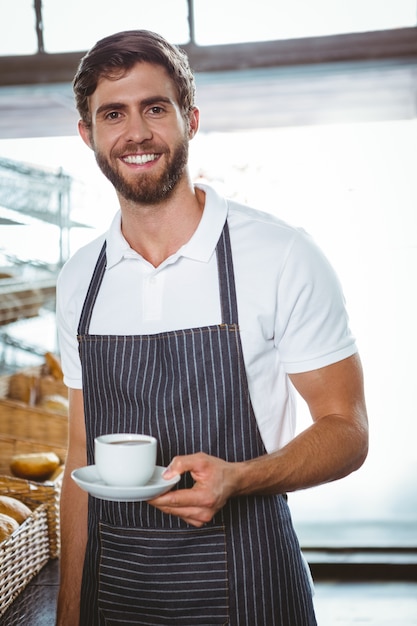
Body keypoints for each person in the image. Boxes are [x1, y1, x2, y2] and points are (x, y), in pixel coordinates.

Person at [55, 29, 368, 626]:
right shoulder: (79, 281)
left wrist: (242, 478)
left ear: (190, 119)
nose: (136, 133)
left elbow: (347, 430)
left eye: (155, 108)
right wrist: (71, 612)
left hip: (251, 586)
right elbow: (78, 456)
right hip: (114, 594)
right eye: (112, 114)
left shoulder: (280, 254)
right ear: (87, 135)